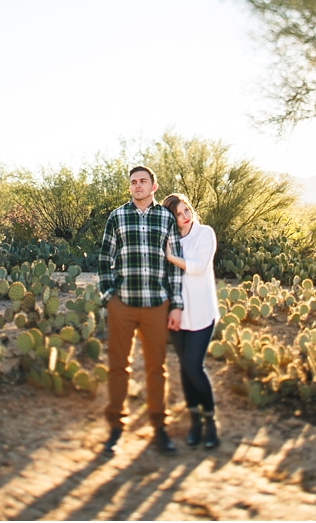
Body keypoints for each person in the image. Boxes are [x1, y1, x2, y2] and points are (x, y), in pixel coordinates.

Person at [97, 166, 184, 455]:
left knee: (155, 368)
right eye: (133, 182)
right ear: (130, 187)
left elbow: (175, 263)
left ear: (154, 186)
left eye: (143, 181)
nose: (137, 186)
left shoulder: (166, 218)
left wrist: (176, 304)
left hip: (156, 304)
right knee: (118, 367)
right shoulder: (117, 217)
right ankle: (115, 429)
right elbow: (103, 258)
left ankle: (160, 428)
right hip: (122, 302)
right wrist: (109, 295)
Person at [161, 193, 220, 449]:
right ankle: (195, 421)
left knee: (194, 366)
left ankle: (210, 421)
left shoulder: (205, 233)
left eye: (187, 210)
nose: (185, 217)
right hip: (178, 313)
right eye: (179, 214)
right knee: (184, 368)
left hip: (203, 313)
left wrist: (171, 257)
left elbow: (198, 265)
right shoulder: (170, 239)